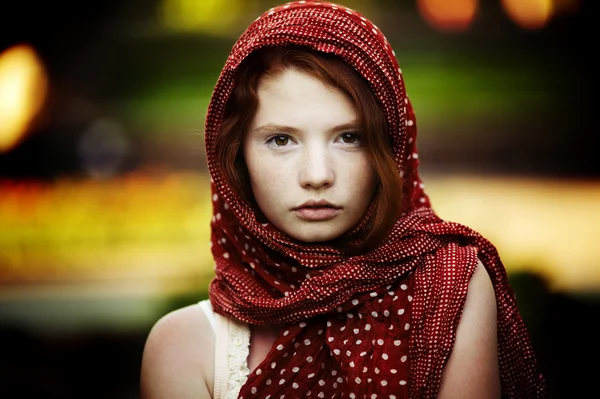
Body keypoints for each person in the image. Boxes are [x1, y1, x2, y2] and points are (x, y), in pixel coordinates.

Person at [139, 1, 546, 398]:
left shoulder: (450, 285)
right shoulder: (184, 349)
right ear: (235, 156)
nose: (317, 175)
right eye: (281, 140)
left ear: (390, 148)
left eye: (349, 137)